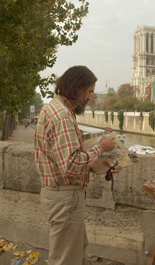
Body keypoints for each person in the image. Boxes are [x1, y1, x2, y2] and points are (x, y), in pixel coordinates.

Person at [35, 65, 118, 265]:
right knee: (66, 259)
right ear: (78, 87)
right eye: (89, 92)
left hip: (59, 195)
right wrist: (100, 147)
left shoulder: (54, 107)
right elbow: (70, 164)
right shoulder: (63, 116)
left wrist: (98, 163)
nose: (91, 97)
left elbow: (62, 156)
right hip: (66, 198)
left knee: (74, 255)